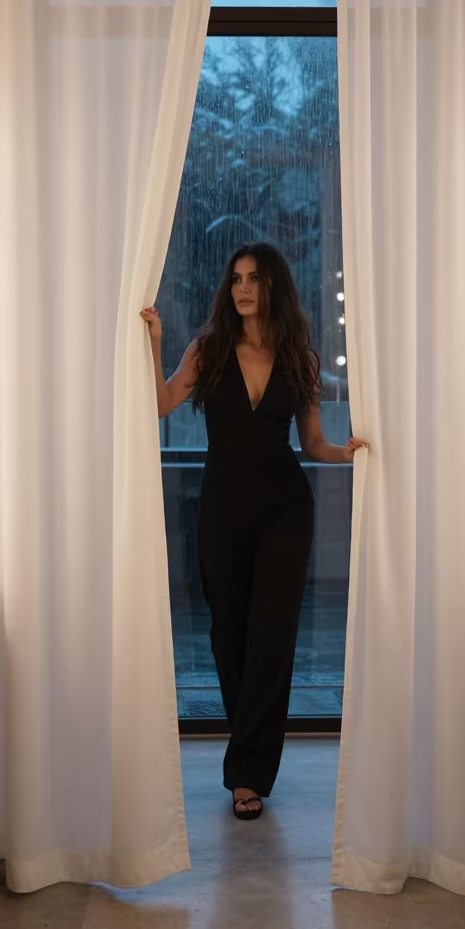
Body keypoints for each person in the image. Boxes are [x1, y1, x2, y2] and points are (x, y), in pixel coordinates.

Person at [141, 242, 366, 820]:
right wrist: (155, 343)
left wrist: (349, 453)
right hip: (221, 508)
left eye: (254, 279)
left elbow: (312, 443)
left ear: (274, 288)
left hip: (286, 508)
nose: (242, 288)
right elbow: (162, 403)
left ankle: (248, 774)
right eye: (236, 278)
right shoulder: (207, 350)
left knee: (273, 639)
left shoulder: (300, 359)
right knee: (228, 637)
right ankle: (245, 755)